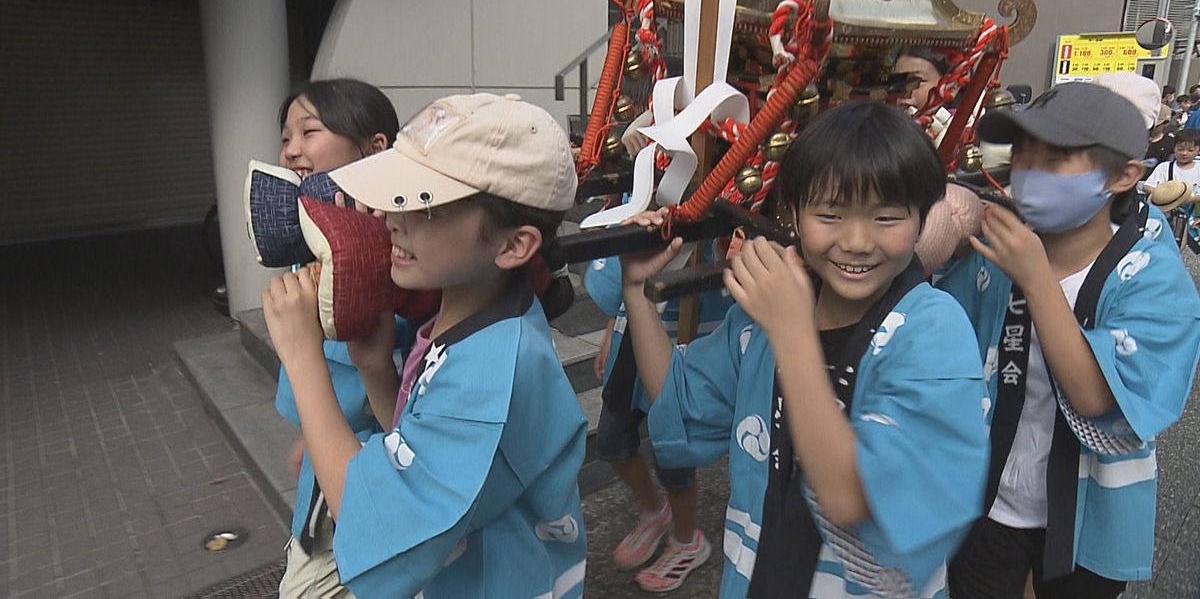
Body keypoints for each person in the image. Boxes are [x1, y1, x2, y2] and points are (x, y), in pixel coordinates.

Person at [621, 101, 990, 597]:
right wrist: (637, 292)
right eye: (830, 215)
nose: (857, 241)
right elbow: (680, 401)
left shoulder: (933, 330)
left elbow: (851, 496)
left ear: (922, 219)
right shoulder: (765, 317)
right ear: (792, 213)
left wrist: (792, 331)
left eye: (886, 217)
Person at [262, 92, 588, 597]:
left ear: (513, 246)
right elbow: (417, 456)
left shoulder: (490, 373)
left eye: (426, 205)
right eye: (396, 194)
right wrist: (374, 369)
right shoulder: (467, 318)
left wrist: (302, 356)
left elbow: (377, 519)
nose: (394, 218)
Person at [938, 83, 1200, 598]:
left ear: (1124, 175)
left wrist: (1036, 279)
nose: (1029, 173)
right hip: (986, 503)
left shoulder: (1153, 279)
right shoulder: (994, 243)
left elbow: (1096, 397)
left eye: (1055, 159)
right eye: (1023, 156)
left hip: (1087, 520)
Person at [271, 78, 415, 599]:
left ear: (376, 149)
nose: (291, 150)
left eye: (310, 131)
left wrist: (300, 347)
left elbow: (404, 415)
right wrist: (312, 434)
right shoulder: (312, 245)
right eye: (286, 136)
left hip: (380, 484)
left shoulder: (402, 257)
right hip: (327, 481)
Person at [584, 251, 729, 592]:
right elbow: (628, 271)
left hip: (685, 342)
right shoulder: (642, 200)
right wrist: (612, 327)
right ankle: (653, 510)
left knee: (675, 454)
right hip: (631, 337)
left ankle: (685, 540)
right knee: (611, 441)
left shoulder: (722, 200)